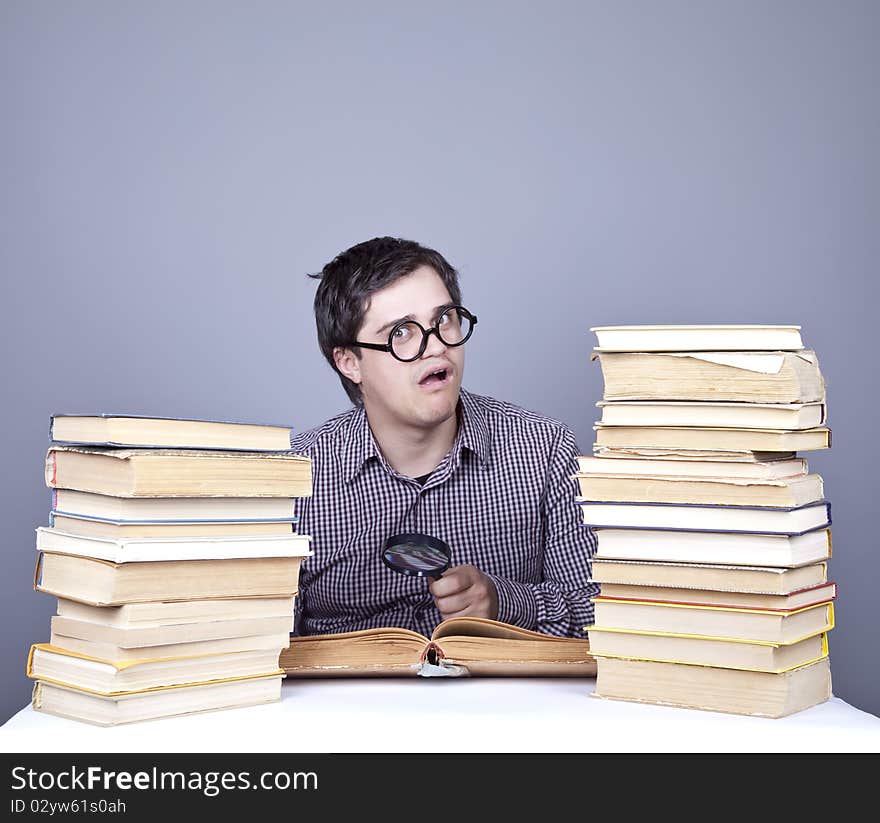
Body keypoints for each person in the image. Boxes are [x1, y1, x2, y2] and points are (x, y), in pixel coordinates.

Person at [290, 236, 598, 638]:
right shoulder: (293, 478)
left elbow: (598, 617)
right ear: (349, 362)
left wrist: (505, 603)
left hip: (503, 699)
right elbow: (254, 640)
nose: (435, 345)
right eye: (401, 332)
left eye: (444, 319)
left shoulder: (545, 448)